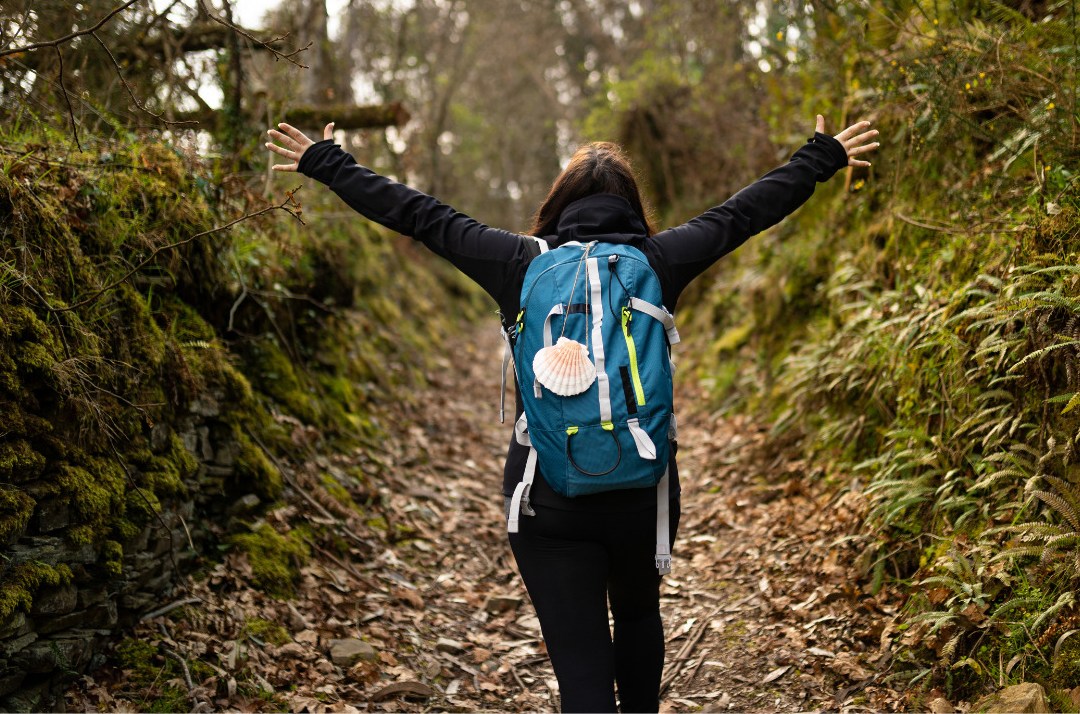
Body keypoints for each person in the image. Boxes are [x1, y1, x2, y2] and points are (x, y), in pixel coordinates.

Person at [266, 116, 878, 712]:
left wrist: (330, 164)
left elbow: (423, 217)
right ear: (633, 208)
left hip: (546, 496)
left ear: (555, 206)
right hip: (643, 487)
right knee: (638, 613)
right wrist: (820, 157)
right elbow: (744, 214)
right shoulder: (661, 261)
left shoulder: (519, 262)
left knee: (582, 674)